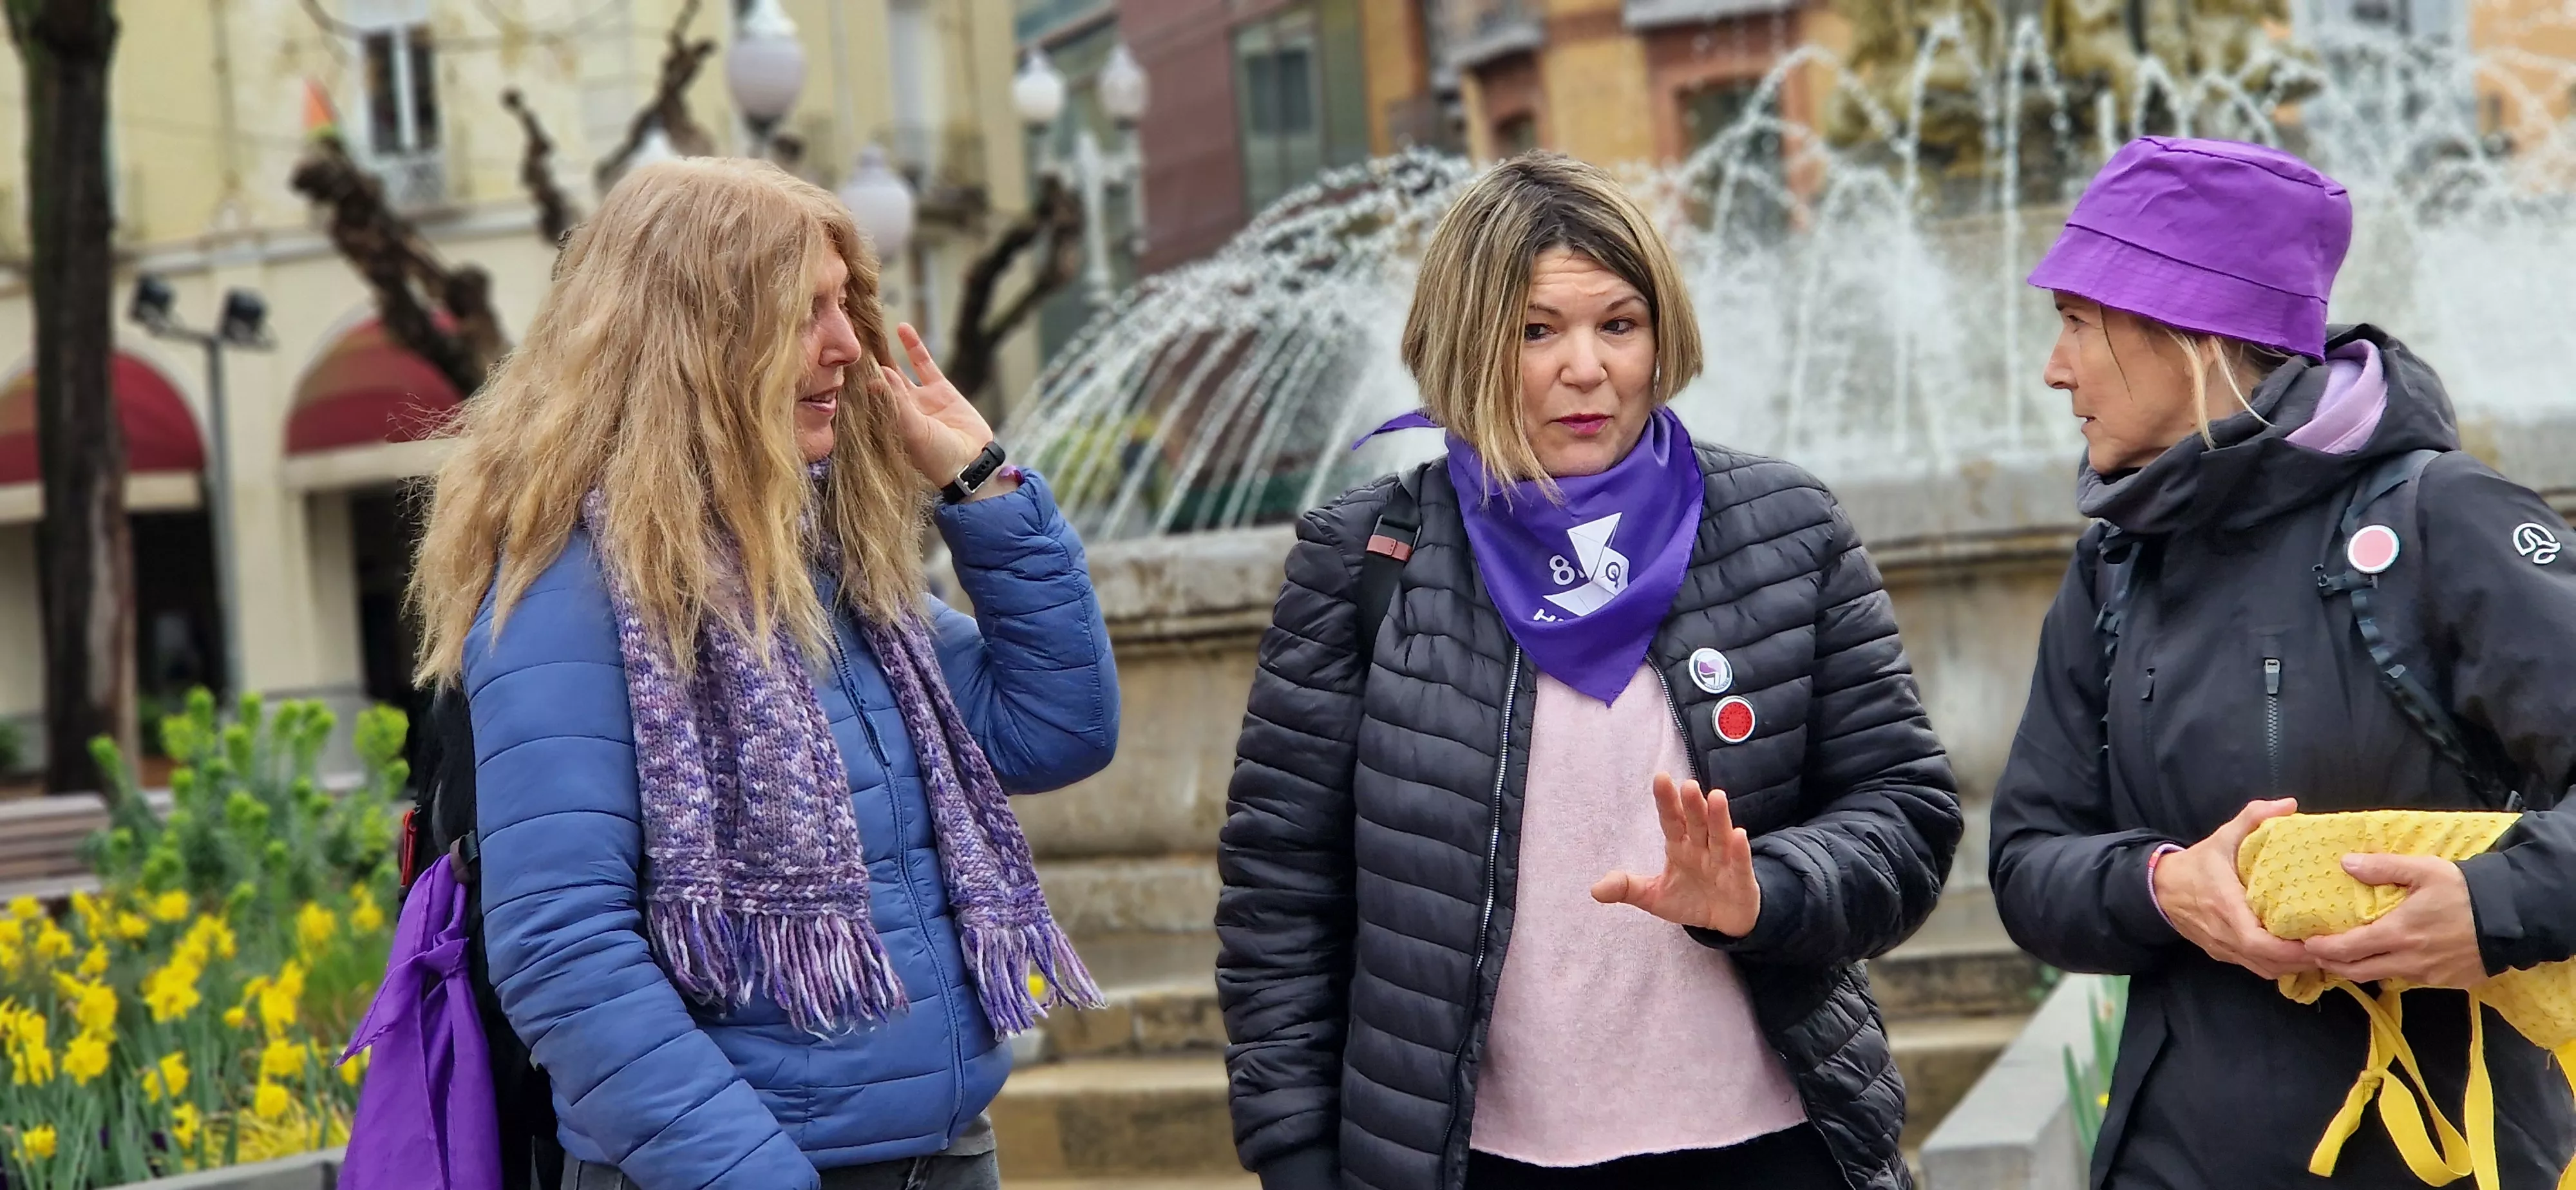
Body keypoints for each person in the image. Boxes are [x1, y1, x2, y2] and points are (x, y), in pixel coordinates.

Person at [1215, 151, 1962, 1190]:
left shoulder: (1785, 527)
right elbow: (1283, 886)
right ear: (1468, 341)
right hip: (1481, 1157)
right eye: (1536, 331)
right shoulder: (1367, 557)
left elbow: (1906, 809)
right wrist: (1296, 1152)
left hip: (1773, 1141)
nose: (1586, 367)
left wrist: (1768, 892)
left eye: (1619, 324)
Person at [405, 158, 1120, 1190]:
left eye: (845, 305)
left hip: (941, 1153)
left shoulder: (821, 565)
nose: (847, 347)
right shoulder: (567, 594)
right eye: (802, 313)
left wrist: (986, 489)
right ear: (693, 344)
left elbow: (1055, 730)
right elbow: (565, 951)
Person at [1989, 136, 2576, 1189]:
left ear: (2192, 329)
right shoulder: (2114, 565)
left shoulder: (2444, 519)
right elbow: (2029, 862)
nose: (2054, 367)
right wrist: (2162, 886)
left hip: (2445, 1155)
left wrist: (2494, 909)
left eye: (2077, 321)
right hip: (2173, 1157)